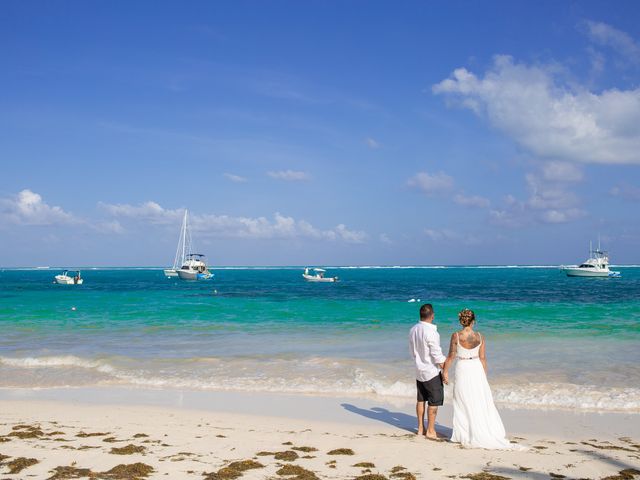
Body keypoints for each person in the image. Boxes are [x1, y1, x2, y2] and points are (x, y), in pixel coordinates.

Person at [442, 309, 513, 449]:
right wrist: (484, 376)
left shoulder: (456, 336)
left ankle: (463, 434)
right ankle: (475, 431)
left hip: (462, 367)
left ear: (461, 321)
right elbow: (483, 358)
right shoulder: (480, 336)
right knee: (477, 400)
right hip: (476, 368)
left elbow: (451, 356)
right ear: (473, 321)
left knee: (462, 401)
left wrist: (445, 371)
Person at [408, 303, 446, 440]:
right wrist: (445, 367)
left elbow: (413, 352)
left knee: (421, 399)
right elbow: (436, 355)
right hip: (431, 371)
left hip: (419, 370)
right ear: (432, 316)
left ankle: (420, 428)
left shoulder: (413, 329)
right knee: (434, 402)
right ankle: (430, 430)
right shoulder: (431, 332)